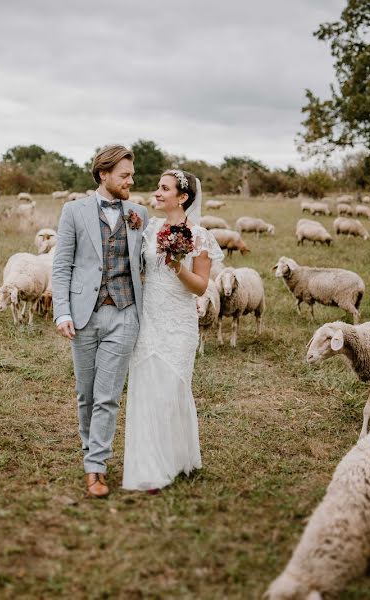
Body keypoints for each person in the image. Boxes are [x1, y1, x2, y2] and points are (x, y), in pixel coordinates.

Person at [52, 145, 150, 498]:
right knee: (86, 393)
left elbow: (146, 263)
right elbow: (62, 265)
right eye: (124, 175)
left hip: (124, 313)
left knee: (108, 396)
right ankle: (88, 449)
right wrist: (62, 311)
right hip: (83, 315)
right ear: (103, 175)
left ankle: (96, 466)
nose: (131, 181)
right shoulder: (73, 211)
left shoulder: (140, 213)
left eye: (132, 175)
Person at [122, 169, 223, 492]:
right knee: (147, 388)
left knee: (170, 391)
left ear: (183, 197)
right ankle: (150, 465)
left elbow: (201, 287)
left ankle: (176, 459)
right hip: (149, 319)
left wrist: (177, 265)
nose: (157, 192)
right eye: (158, 186)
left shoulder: (201, 236)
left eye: (164, 188)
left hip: (179, 323)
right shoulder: (150, 228)